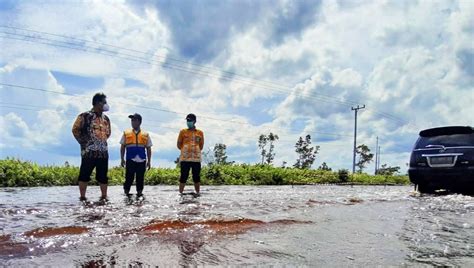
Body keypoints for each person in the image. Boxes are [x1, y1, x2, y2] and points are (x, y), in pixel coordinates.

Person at [72, 92, 111, 202]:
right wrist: (84, 143)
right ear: (98, 103)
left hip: (103, 152)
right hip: (89, 152)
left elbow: (108, 133)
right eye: (104, 102)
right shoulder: (84, 116)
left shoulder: (106, 119)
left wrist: (101, 142)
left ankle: (104, 197)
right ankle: (83, 197)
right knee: (84, 175)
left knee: (103, 177)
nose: (106, 104)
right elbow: (75, 130)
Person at [120, 113, 152, 198]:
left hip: (142, 160)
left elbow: (149, 148)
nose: (132, 122)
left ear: (139, 122)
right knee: (128, 178)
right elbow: (122, 146)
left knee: (140, 179)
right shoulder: (126, 133)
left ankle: (139, 194)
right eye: (132, 120)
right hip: (130, 159)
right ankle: (126, 194)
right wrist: (122, 159)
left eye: (134, 120)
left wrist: (149, 161)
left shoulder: (145, 134)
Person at [177, 113, 204, 195]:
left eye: (190, 120)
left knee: (196, 176)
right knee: (183, 176)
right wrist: (185, 150)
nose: (188, 122)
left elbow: (201, 145)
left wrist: (195, 150)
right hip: (185, 158)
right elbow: (178, 144)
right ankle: (180, 193)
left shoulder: (200, 132)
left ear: (194, 121)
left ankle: (197, 193)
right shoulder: (183, 132)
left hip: (196, 159)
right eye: (187, 120)